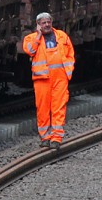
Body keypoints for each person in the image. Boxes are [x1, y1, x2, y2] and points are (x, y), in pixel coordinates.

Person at [22, 12, 75, 148]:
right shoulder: (31, 38)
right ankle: (45, 137)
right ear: (38, 25)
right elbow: (29, 51)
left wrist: (67, 71)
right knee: (43, 108)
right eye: (43, 23)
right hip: (42, 79)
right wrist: (39, 36)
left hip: (60, 78)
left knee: (59, 107)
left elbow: (70, 54)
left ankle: (56, 138)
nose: (47, 25)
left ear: (52, 22)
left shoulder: (62, 36)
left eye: (48, 22)